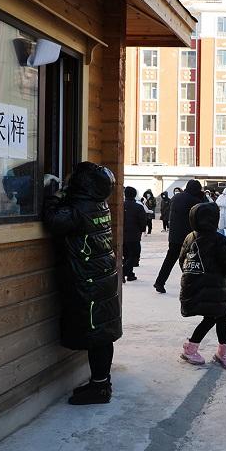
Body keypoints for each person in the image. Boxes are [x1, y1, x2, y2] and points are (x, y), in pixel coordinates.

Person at [42, 162, 121, 405]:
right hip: (101, 278)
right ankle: (101, 383)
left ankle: (100, 388)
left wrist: (53, 193)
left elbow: (53, 221)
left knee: (98, 336)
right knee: (103, 333)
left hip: (89, 281)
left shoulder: (80, 208)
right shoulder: (99, 203)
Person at [178, 202, 226, 370]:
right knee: (214, 316)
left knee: (220, 315)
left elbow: (182, 261)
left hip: (193, 286)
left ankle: (220, 350)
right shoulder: (219, 240)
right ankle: (192, 348)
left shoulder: (190, 237)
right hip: (213, 287)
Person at [154, 179, 204, 294]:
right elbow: (200, 214)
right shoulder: (194, 200)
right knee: (191, 262)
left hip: (174, 235)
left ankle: (160, 282)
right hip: (188, 236)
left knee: (169, 259)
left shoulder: (176, 197)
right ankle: (192, 285)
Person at [121, 186, 146, 282]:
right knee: (134, 256)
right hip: (134, 235)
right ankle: (123, 272)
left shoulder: (121, 205)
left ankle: (130, 274)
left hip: (122, 235)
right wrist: (142, 230)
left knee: (126, 256)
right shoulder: (138, 207)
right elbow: (142, 221)